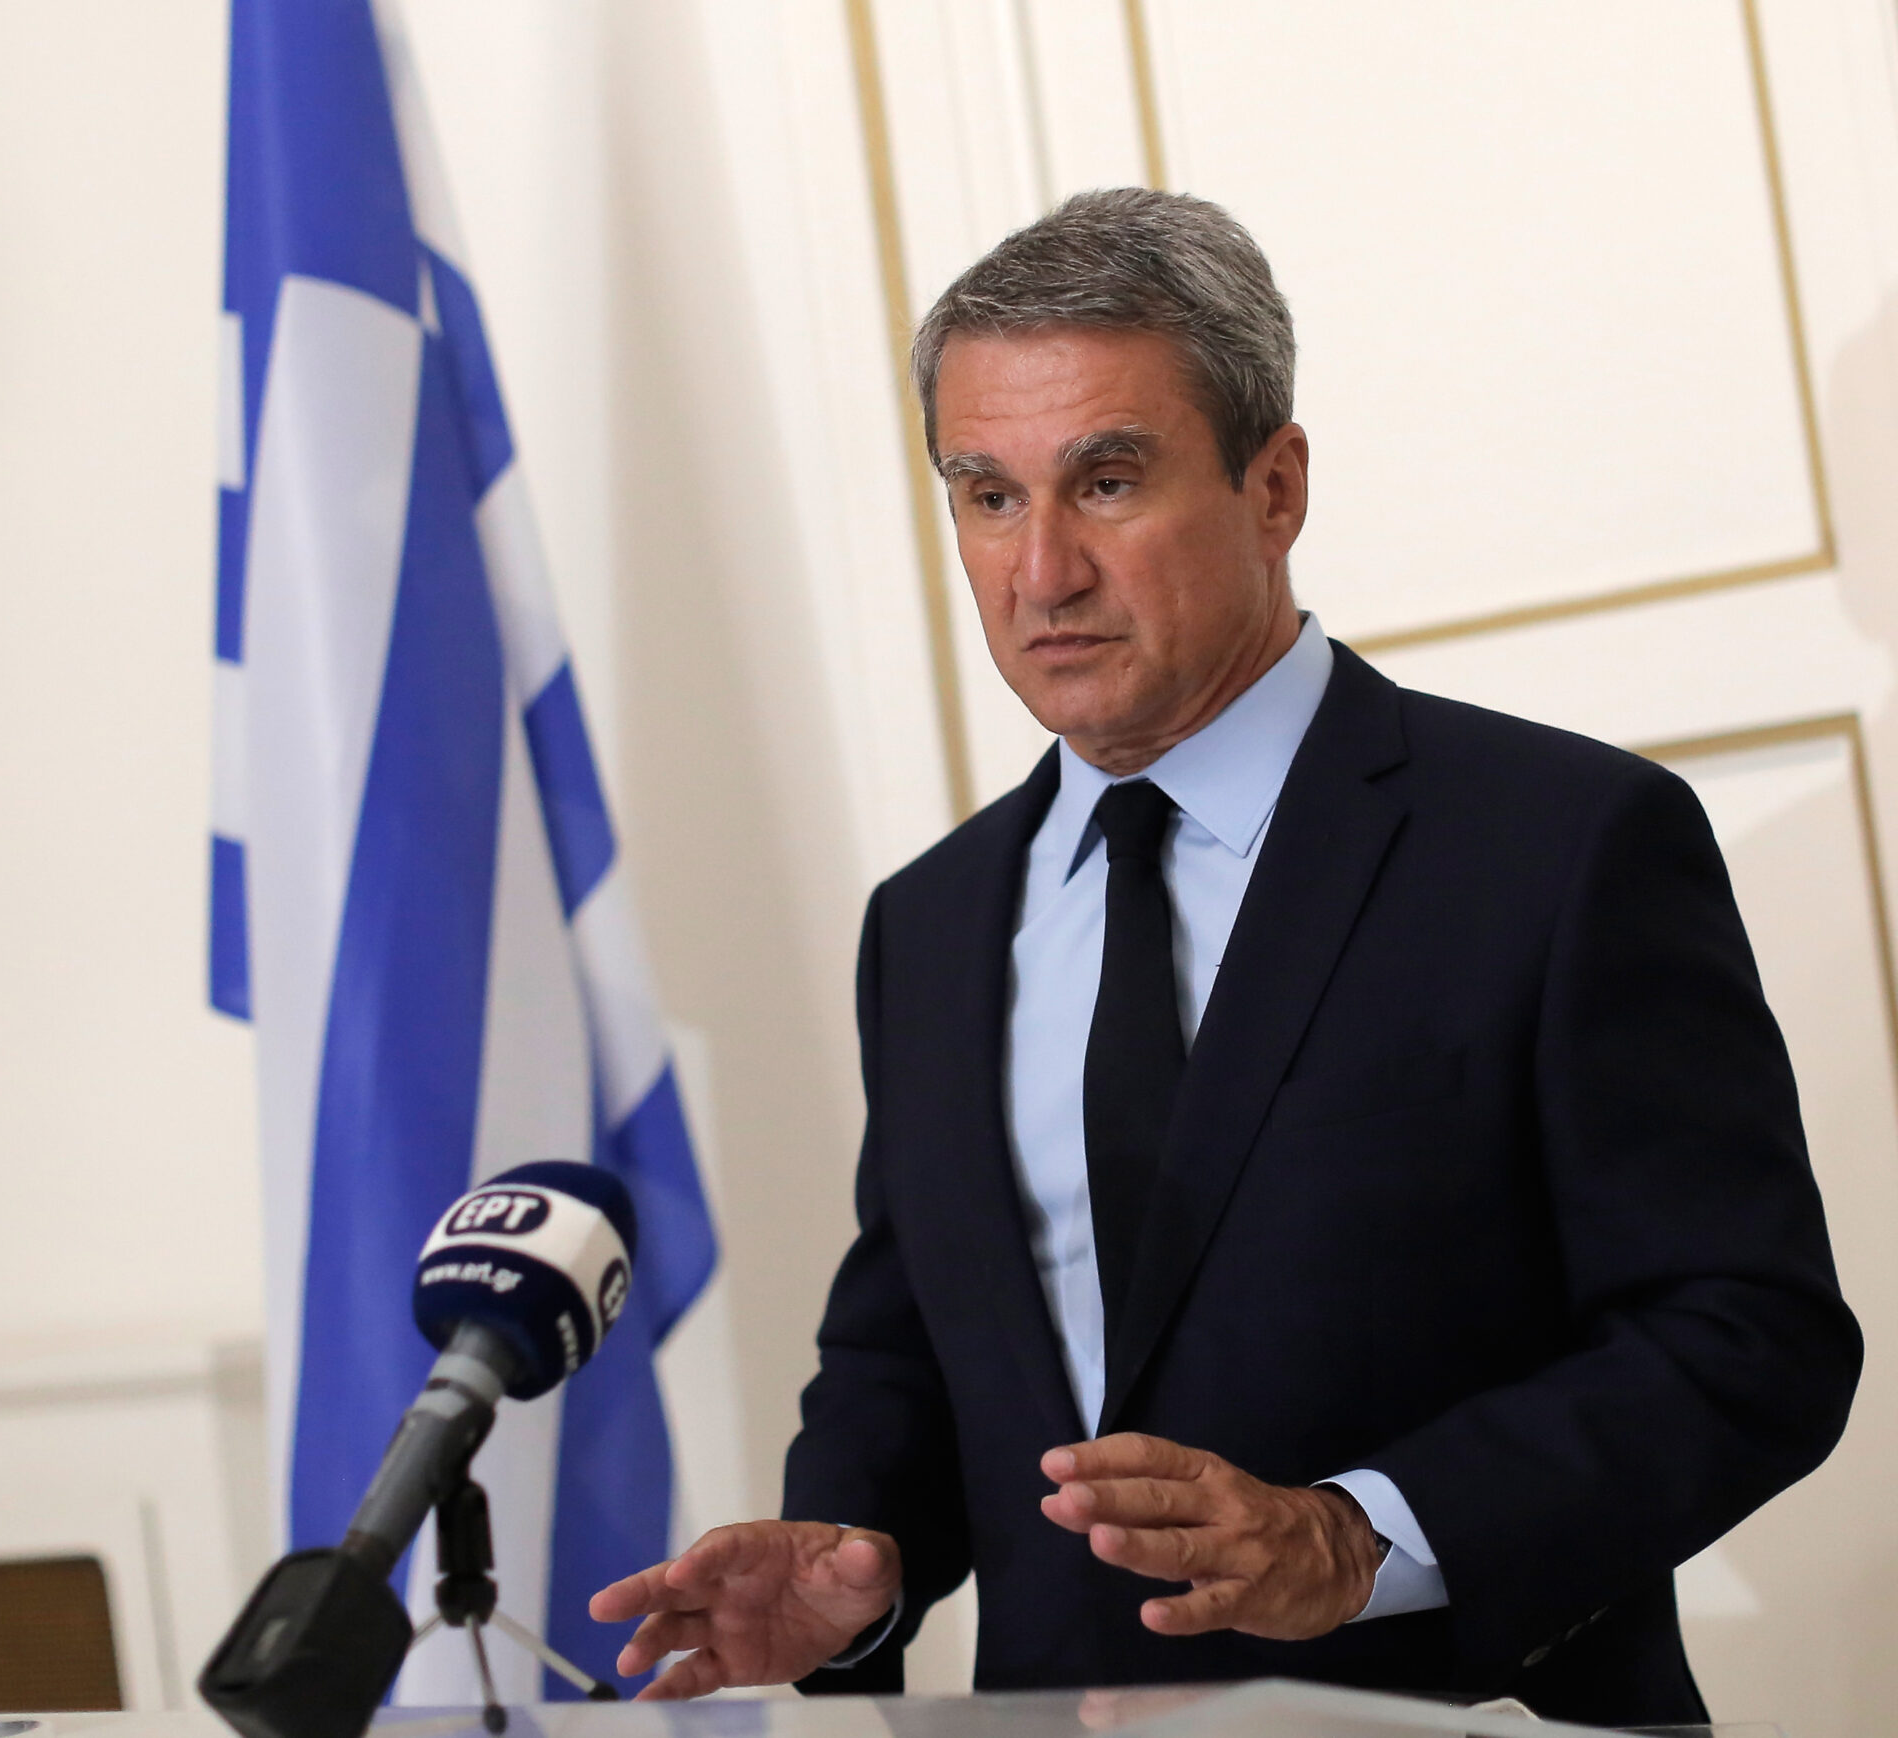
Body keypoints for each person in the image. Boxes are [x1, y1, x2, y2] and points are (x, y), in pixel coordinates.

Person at [588, 188, 1862, 1727]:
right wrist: (858, 1551)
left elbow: (1750, 1338)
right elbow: (911, 1350)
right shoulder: (927, 923)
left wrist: (1359, 1535)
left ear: (1276, 487)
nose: (1041, 569)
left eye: (1107, 481)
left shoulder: (1560, 842)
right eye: (987, 495)